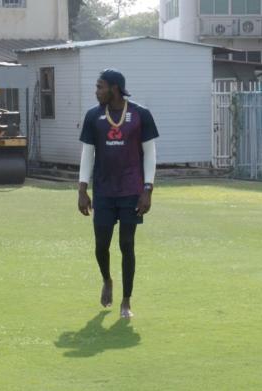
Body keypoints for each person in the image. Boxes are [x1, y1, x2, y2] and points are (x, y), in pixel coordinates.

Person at [77, 69, 159, 319]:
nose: (96, 91)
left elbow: (150, 154)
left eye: (100, 87)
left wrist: (147, 190)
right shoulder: (93, 116)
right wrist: (82, 189)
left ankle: (126, 301)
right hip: (103, 191)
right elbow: (87, 154)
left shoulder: (140, 115)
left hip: (131, 191)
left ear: (114, 89)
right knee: (101, 245)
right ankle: (107, 280)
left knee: (127, 245)